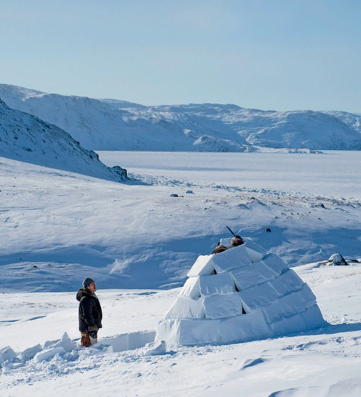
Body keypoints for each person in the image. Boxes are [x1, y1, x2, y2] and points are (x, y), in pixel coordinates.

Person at [76, 277, 103, 347]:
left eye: (95, 284)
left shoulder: (90, 296)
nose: (95, 286)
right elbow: (86, 314)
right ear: (88, 286)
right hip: (88, 330)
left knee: (93, 347)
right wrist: (92, 326)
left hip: (91, 328)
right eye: (92, 284)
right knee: (89, 349)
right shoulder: (86, 298)